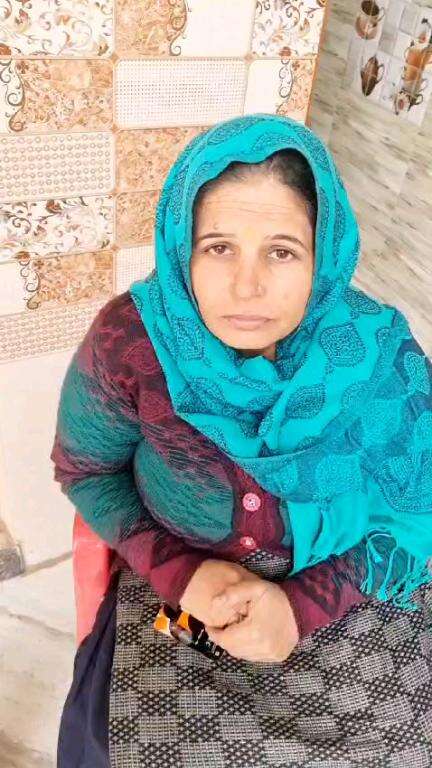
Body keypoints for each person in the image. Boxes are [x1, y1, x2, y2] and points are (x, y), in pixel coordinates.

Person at [51, 113, 432, 768]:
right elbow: (88, 471)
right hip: (183, 589)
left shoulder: (377, 353)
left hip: (349, 590)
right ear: (182, 248)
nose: (247, 286)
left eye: (281, 251)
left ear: (323, 255)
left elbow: (416, 507)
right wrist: (183, 574)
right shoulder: (131, 342)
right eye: (219, 247)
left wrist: (303, 608)